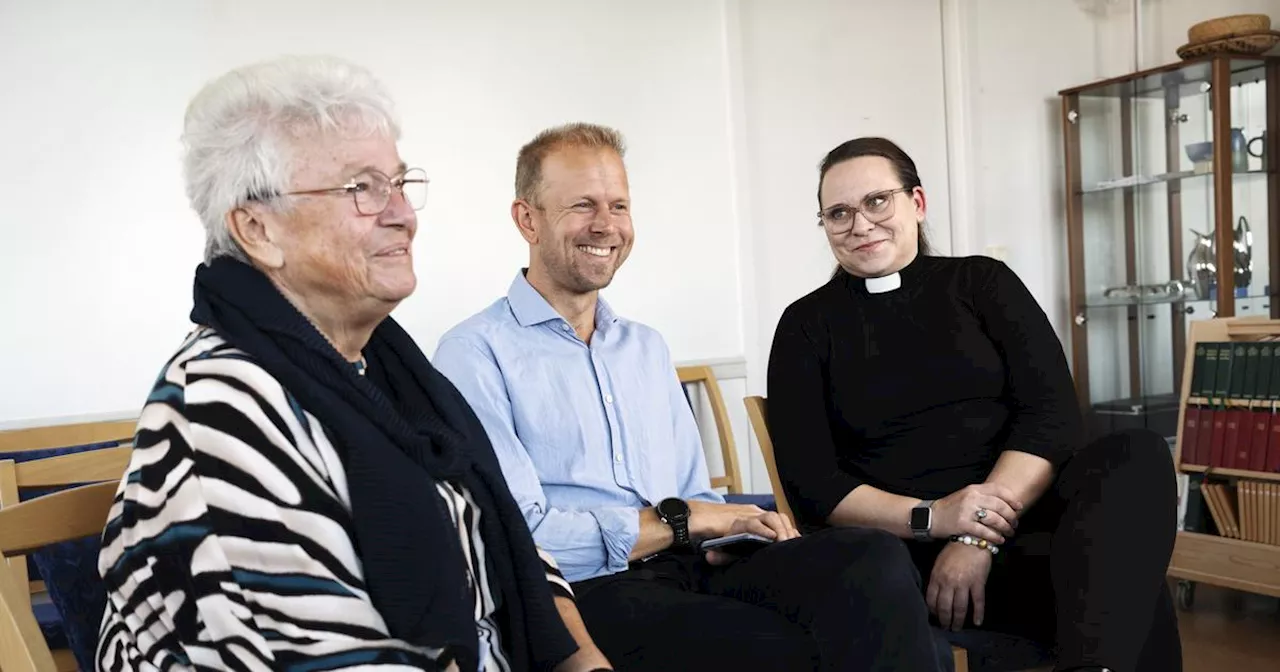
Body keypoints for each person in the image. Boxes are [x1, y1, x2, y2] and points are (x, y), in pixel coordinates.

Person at [96, 56, 613, 672]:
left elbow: (508, 546)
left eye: (399, 183)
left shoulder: (387, 371)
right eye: (362, 188)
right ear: (258, 228)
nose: (402, 213)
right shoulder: (220, 406)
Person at [432, 122, 947, 672]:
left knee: (871, 557)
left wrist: (731, 528)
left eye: (619, 206)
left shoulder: (644, 347)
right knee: (781, 646)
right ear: (527, 219)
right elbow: (520, 535)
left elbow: (696, 496)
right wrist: (681, 523)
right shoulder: (473, 352)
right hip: (586, 593)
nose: (605, 225)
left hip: (691, 568)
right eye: (583, 205)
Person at [766, 136, 1182, 672]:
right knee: (1127, 583)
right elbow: (812, 481)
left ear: (916, 203)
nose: (860, 225)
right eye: (838, 213)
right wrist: (934, 520)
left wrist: (974, 536)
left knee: (1137, 454)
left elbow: (1051, 416)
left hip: (1021, 531)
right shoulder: (805, 325)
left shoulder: (981, 283)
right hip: (904, 555)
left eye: (876, 201)